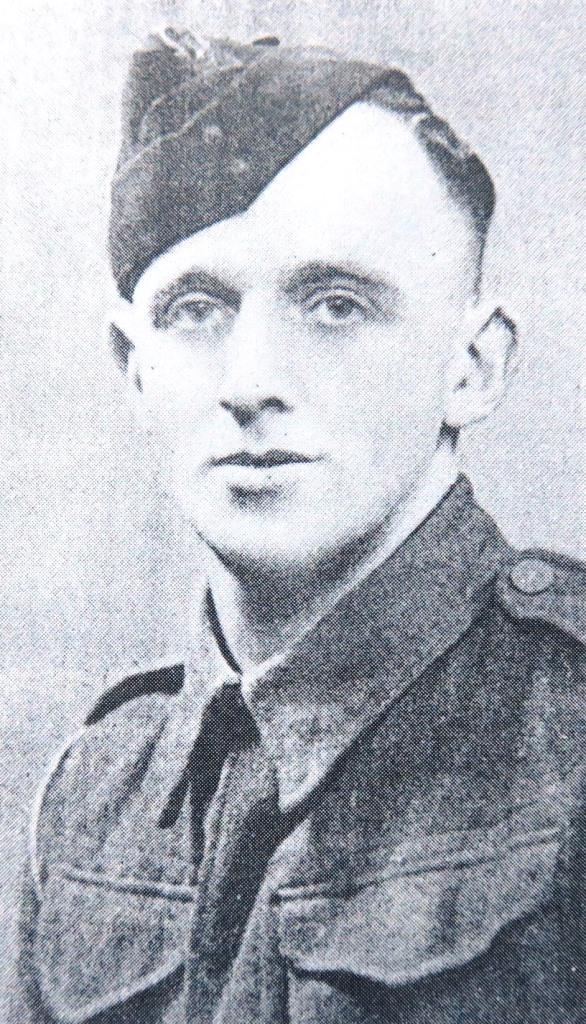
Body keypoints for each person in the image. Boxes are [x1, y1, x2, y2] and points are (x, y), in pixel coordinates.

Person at [9, 28, 585, 1024]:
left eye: (335, 305)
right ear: (135, 371)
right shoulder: (93, 796)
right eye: (196, 309)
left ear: (473, 366)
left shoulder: (569, 731)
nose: (251, 382)